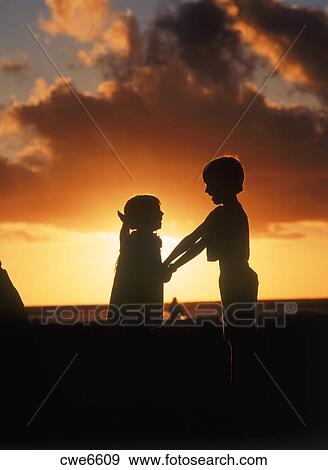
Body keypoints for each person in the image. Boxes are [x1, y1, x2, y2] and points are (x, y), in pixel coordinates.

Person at [163, 156, 258, 386]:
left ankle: (240, 389)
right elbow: (193, 241)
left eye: (210, 184)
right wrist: (169, 263)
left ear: (225, 183)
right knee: (238, 336)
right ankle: (240, 387)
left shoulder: (225, 214)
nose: (206, 190)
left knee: (239, 337)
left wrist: (170, 265)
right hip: (235, 276)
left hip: (237, 279)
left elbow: (194, 244)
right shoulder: (229, 212)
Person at [108, 195, 171, 326]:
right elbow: (152, 276)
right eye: (156, 211)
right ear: (146, 216)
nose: (161, 213)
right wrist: (165, 272)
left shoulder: (131, 241)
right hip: (142, 311)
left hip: (127, 311)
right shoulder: (147, 242)